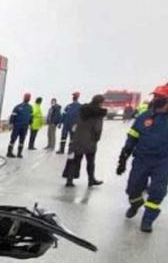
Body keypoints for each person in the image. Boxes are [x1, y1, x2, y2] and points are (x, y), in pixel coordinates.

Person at [116, 84, 168, 232]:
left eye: (159, 97)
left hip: (163, 161)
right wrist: (123, 157)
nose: (155, 99)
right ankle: (136, 203)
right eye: (155, 96)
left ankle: (148, 219)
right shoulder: (144, 116)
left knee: (157, 190)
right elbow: (133, 136)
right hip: (142, 159)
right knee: (133, 187)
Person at [62, 94, 106, 187]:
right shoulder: (98, 113)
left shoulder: (82, 110)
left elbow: (75, 123)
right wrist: (97, 138)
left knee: (75, 160)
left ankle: (69, 180)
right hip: (90, 140)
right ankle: (91, 180)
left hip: (78, 138)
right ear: (100, 103)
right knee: (90, 161)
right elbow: (97, 129)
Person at [7, 93, 33, 158]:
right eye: (26, 97)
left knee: (22, 140)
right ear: (24, 98)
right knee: (13, 139)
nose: (27, 98)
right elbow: (13, 116)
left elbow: (31, 117)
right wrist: (11, 124)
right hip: (17, 126)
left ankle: (19, 153)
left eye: (28, 97)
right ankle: (9, 152)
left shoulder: (30, 108)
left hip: (25, 127)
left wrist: (30, 124)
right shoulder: (18, 107)